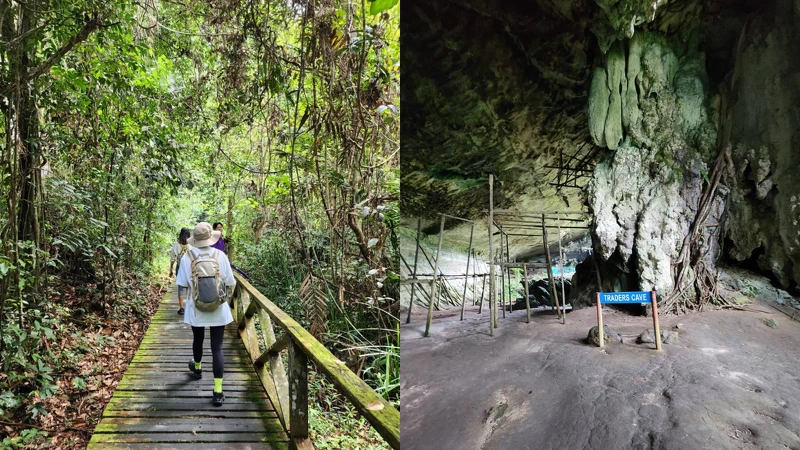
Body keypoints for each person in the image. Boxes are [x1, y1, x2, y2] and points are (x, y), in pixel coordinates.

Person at [176, 222, 236, 406]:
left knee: (198, 339)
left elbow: (183, 284)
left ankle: (198, 369)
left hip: (197, 308)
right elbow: (230, 282)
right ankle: (218, 391)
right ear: (211, 237)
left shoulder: (188, 257)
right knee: (217, 348)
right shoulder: (220, 255)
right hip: (218, 308)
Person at [169, 228, 192, 314]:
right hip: (190, 268)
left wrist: (171, 269)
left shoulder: (176, 244)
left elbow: (172, 259)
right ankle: (190, 306)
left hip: (180, 267)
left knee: (181, 287)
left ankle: (181, 308)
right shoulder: (190, 245)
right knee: (190, 286)